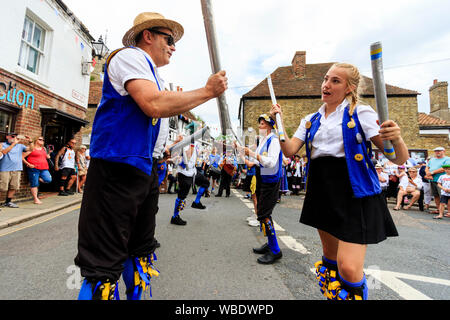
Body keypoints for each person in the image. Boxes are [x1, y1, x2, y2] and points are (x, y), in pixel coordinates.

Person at [75, 12, 227, 300]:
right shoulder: (129, 56)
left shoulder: (152, 73)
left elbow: (154, 118)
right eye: (169, 39)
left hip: (144, 168)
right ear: (148, 36)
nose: (173, 47)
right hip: (116, 166)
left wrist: (163, 152)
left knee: (140, 248)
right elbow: (152, 104)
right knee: (103, 261)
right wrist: (207, 91)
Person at [270, 62, 409, 300]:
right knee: (331, 260)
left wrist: (396, 139)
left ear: (349, 88)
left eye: (335, 81)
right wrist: (279, 124)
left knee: (349, 267)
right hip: (322, 191)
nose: (326, 84)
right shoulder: (311, 119)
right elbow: (290, 150)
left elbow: (398, 158)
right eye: (326, 79)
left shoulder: (361, 113)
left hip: (354, 191)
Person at [240, 114, 283, 264]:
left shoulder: (275, 140)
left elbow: (270, 162)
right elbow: (254, 162)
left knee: (264, 214)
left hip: (270, 180)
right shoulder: (263, 140)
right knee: (262, 214)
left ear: (270, 126)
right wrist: (242, 152)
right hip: (261, 177)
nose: (260, 126)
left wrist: (251, 153)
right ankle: (270, 244)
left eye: (263, 124)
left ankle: (276, 250)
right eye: (259, 123)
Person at [0, 133, 31, 208]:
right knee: (2, 187)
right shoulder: (2, 144)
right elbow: (3, 152)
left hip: (17, 169)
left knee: (13, 186)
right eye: (13, 136)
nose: (14, 138)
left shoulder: (20, 146)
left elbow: (30, 149)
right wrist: (14, 143)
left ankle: (8, 202)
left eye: (15, 137)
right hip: (5, 169)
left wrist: (31, 142)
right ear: (7, 137)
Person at [22, 136, 52, 204]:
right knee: (34, 184)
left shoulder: (43, 149)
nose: (42, 141)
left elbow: (47, 157)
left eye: (43, 140)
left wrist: (48, 154)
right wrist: (28, 164)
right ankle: (36, 199)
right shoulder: (32, 148)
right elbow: (22, 157)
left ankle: (37, 178)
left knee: (48, 179)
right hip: (34, 168)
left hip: (44, 168)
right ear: (35, 140)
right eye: (40, 139)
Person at [425, 147, 450, 214]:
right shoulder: (432, 159)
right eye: (436, 151)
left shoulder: (447, 159)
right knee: (436, 195)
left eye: (439, 151)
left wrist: (432, 173)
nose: (437, 152)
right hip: (433, 180)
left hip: (443, 181)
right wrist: (428, 173)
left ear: (444, 151)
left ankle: (449, 211)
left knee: (445, 196)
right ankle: (439, 210)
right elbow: (427, 167)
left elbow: (443, 168)